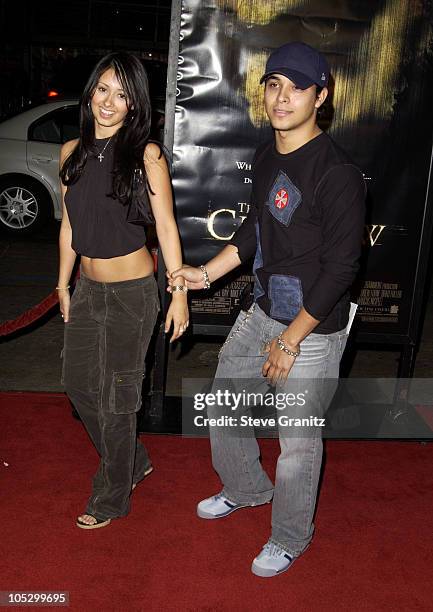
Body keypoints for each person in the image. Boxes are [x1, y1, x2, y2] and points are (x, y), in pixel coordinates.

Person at [169, 42, 365, 576]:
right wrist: (205, 273)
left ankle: (290, 537)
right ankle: (245, 488)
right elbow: (254, 230)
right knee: (223, 403)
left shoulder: (337, 173)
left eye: (297, 88)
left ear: (321, 97)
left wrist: (291, 339)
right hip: (262, 312)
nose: (282, 98)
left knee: (297, 443)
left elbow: (341, 270)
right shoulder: (266, 152)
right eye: (274, 84)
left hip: (312, 328)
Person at [58, 52, 188, 529]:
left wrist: (178, 292)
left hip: (134, 294)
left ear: (135, 105)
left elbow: (168, 228)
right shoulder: (69, 152)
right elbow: (69, 227)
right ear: (90, 91)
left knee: (118, 398)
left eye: (122, 95)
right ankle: (131, 457)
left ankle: (111, 496)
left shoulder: (146, 156)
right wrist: (62, 284)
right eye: (103, 90)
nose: (109, 103)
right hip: (88, 289)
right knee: (77, 385)